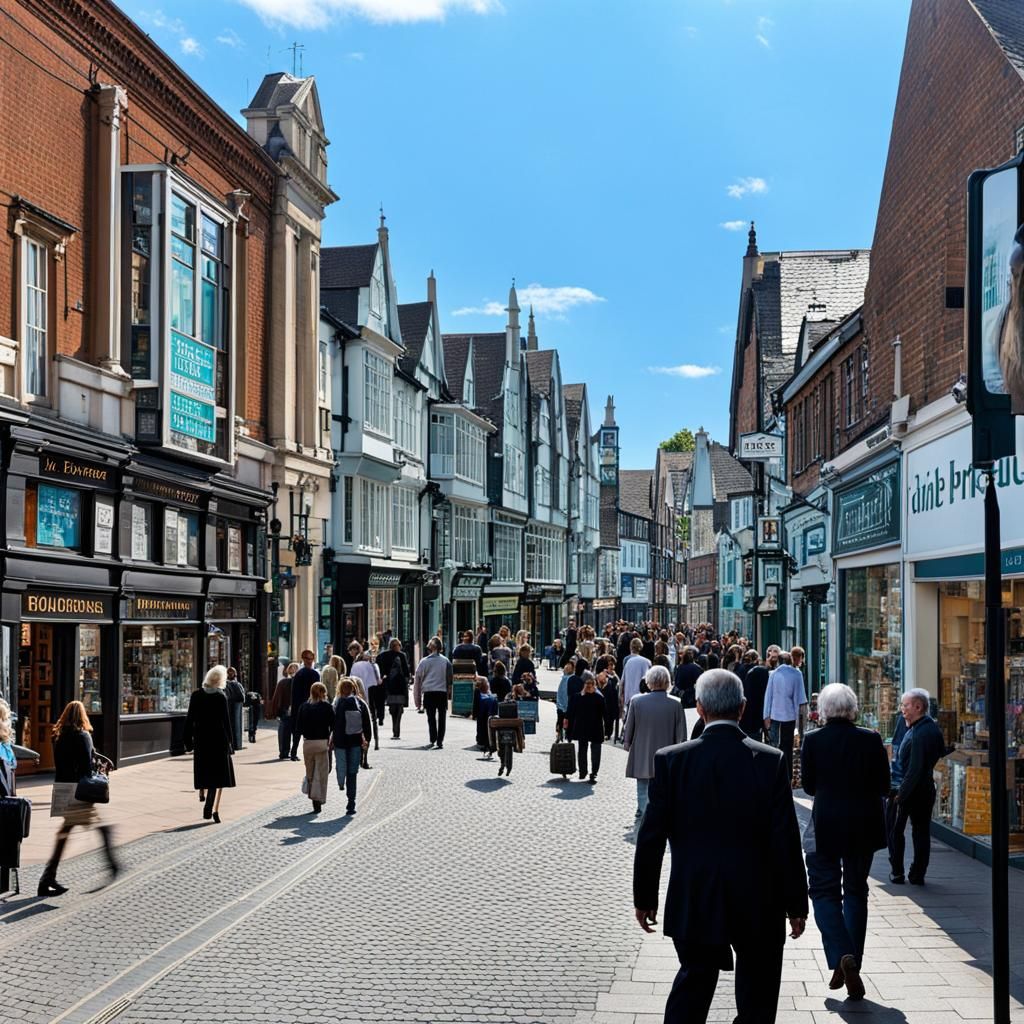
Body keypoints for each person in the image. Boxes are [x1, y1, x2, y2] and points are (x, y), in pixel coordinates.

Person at [633, 669, 808, 1024]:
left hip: (696, 893)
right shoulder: (769, 760)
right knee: (757, 994)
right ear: (742, 709)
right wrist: (796, 903)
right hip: (758, 897)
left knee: (693, 985)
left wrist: (645, 897)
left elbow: (651, 837)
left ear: (699, 709)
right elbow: (785, 840)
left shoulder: (671, 760)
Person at [801, 683, 891, 1001]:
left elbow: (809, 787)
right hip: (864, 826)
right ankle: (852, 959)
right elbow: (884, 783)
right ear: (853, 709)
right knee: (856, 890)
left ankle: (842, 954)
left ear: (823, 710)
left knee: (824, 891)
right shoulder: (871, 739)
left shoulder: (813, 740)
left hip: (826, 825)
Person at [38, 700, 121, 896]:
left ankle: (47, 878)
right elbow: (85, 769)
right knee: (99, 829)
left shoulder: (58, 735)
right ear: (82, 715)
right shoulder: (83, 736)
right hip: (79, 792)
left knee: (65, 833)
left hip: (62, 789)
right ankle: (112, 864)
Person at [889, 688, 945, 885]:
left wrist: (900, 794)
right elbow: (940, 752)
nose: (902, 709)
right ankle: (916, 873)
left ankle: (898, 872)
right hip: (924, 789)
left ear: (918, 707)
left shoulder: (920, 732)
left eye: (905, 705)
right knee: (920, 832)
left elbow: (915, 768)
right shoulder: (927, 727)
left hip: (910, 790)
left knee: (896, 831)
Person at [622, 665, 685, 821]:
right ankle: (660, 813)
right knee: (663, 786)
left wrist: (627, 743)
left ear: (649, 681)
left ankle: (644, 813)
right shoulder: (676, 703)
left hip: (642, 749)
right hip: (667, 751)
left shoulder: (637, 701)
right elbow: (681, 733)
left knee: (642, 786)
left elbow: (629, 726)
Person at [184, 666, 236, 825]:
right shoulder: (221, 697)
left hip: (201, 739)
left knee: (204, 769)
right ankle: (209, 807)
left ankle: (202, 792)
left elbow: (189, 718)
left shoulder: (196, 695)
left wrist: (187, 741)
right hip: (218, 740)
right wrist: (230, 742)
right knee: (216, 776)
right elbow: (226, 722)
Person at [763, 651, 807, 785]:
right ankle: (787, 776)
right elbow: (800, 698)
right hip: (790, 715)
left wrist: (766, 715)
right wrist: (800, 722)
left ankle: (775, 774)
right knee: (787, 747)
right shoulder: (797, 674)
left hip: (775, 714)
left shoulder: (773, 674)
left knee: (774, 745)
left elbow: (768, 695)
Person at [331, 677, 371, 814]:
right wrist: (367, 743)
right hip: (355, 742)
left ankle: (341, 783)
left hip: (340, 742)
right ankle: (351, 802)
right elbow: (367, 725)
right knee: (352, 772)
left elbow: (331, 724)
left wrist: (330, 739)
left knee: (342, 767)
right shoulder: (360, 703)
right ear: (354, 688)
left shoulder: (336, 703)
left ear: (340, 689)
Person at [296, 681, 334, 813]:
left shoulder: (304, 707)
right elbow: (334, 725)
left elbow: (298, 728)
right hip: (322, 743)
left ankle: (314, 800)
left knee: (310, 772)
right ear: (324, 693)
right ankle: (318, 799)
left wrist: (294, 749)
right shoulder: (327, 707)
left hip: (308, 744)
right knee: (322, 772)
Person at [565, 673, 606, 783]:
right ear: (583, 684)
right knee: (582, 749)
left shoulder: (599, 698)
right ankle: (583, 771)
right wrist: (567, 727)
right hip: (582, 727)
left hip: (596, 728)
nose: (589, 685)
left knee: (595, 750)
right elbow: (570, 713)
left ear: (594, 684)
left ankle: (594, 772)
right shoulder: (577, 697)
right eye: (587, 683)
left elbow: (604, 713)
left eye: (591, 683)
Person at [414, 637, 453, 749]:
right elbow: (450, 679)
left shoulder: (424, 662)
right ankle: (440, 740)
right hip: (441, 692)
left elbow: (417, 681)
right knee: (442, 717)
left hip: (429, 692)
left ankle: (433, 738)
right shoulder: (446, 661)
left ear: (430, 647)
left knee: (431, 717)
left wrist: (418, 701)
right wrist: (449, 692)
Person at [289, 650, 321, 761]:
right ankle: (299, 753)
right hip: (307, 706)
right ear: (303, 659)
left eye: (311, 658)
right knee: (306, 733)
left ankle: (294, 752)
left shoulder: (300, 674)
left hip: (302, 706)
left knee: (299, 732)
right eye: (308, 658)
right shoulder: (312, 674)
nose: (310, 661)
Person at [377, 637, 411, 739]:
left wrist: (383, 678)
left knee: (392, 708)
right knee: (399, 708)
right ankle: (397, 729)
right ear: (398, 646)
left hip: (390, 686)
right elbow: (406, 672)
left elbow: (379, 669)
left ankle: (395, 728)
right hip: (400, 686)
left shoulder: (383, 655)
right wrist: (407, 681)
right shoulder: (402, 655)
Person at [267, 662, 298, 760]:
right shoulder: (293, 682)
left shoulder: (282, 682)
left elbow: (276, 698)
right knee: (295, 732)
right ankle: (291, 752)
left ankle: (284, 752)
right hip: (293, 710)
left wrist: (275, 711)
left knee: (285, 732)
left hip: (285, 710)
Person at [622, 637, 651, 710]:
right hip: (643, 697)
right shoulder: (647, 662)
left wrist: (621, 698)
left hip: (629, 696)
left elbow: (623, 681)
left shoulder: (627, 661)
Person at [596, 659, 621, 742]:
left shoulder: (613, 677)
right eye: (610, 665)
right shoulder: (602, 675)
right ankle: (605, 733)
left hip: (611, 701)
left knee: (609, 719)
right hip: (605, 699)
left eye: (612, 666)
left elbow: (618, 683)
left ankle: (607, 733)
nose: (611, 667)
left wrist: (614, 675)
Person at [473, 677, 498, 755]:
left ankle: (488, 742)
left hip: (489, 713)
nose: (488, 684)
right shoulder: (478, 692)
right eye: (487, 683)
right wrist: (475, 714)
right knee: (482, 727)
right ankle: (482, 741)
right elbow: (475, 704)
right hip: (482, 713)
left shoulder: (490, 693)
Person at [225, 666, 246, 751]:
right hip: (235, 706)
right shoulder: (237, 684)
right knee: (236, 725)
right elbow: (242, 697)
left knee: (233, 725)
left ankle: (234, 744)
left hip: (231, 706)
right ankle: (237, 744)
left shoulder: (228, 684)